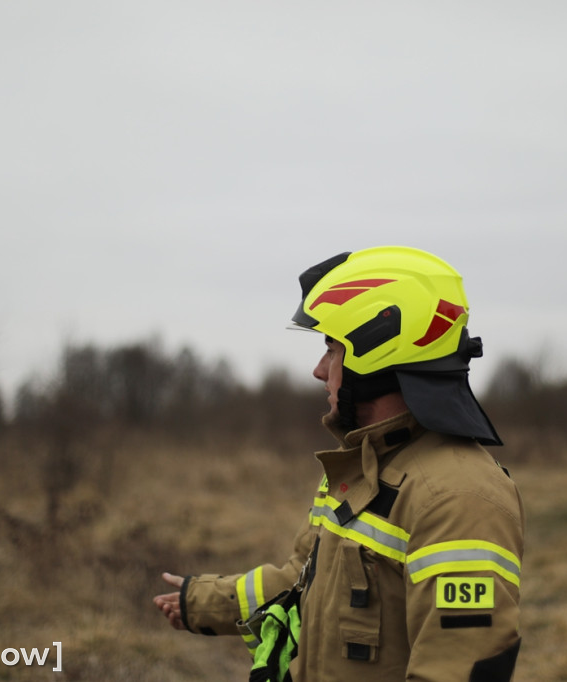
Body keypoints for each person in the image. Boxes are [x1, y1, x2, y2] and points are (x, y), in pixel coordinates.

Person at [154, 246, 524, 681]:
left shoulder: (458, 498)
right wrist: (201, 601)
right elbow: (303, 580)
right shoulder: (363, 469)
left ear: (377, 352)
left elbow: (456, 668)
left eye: (331, 348)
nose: (319, 369)